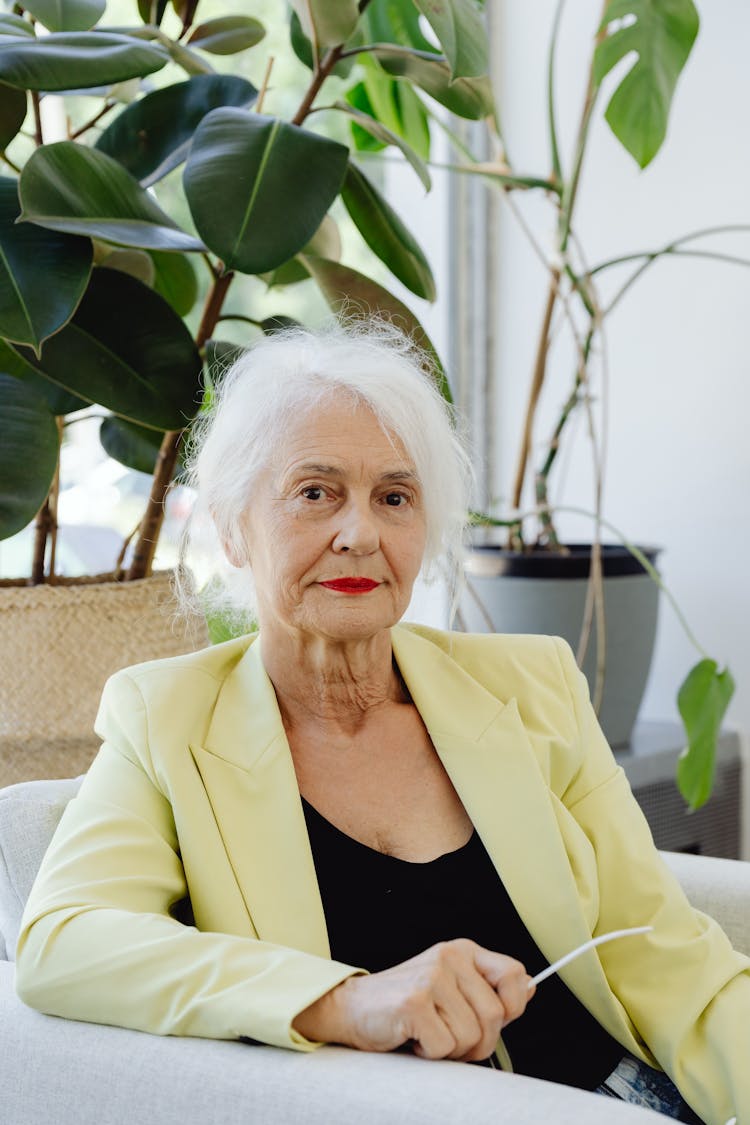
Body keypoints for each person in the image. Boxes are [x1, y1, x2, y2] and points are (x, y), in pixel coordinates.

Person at [16, 322, 748, 1125]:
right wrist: (350, 1001)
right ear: (232, 525)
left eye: (394, 497)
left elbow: (666, 955)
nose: (360, 533)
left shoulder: (532, 685)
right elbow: (64, 941)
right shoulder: (167, 718)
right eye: (315, 492)